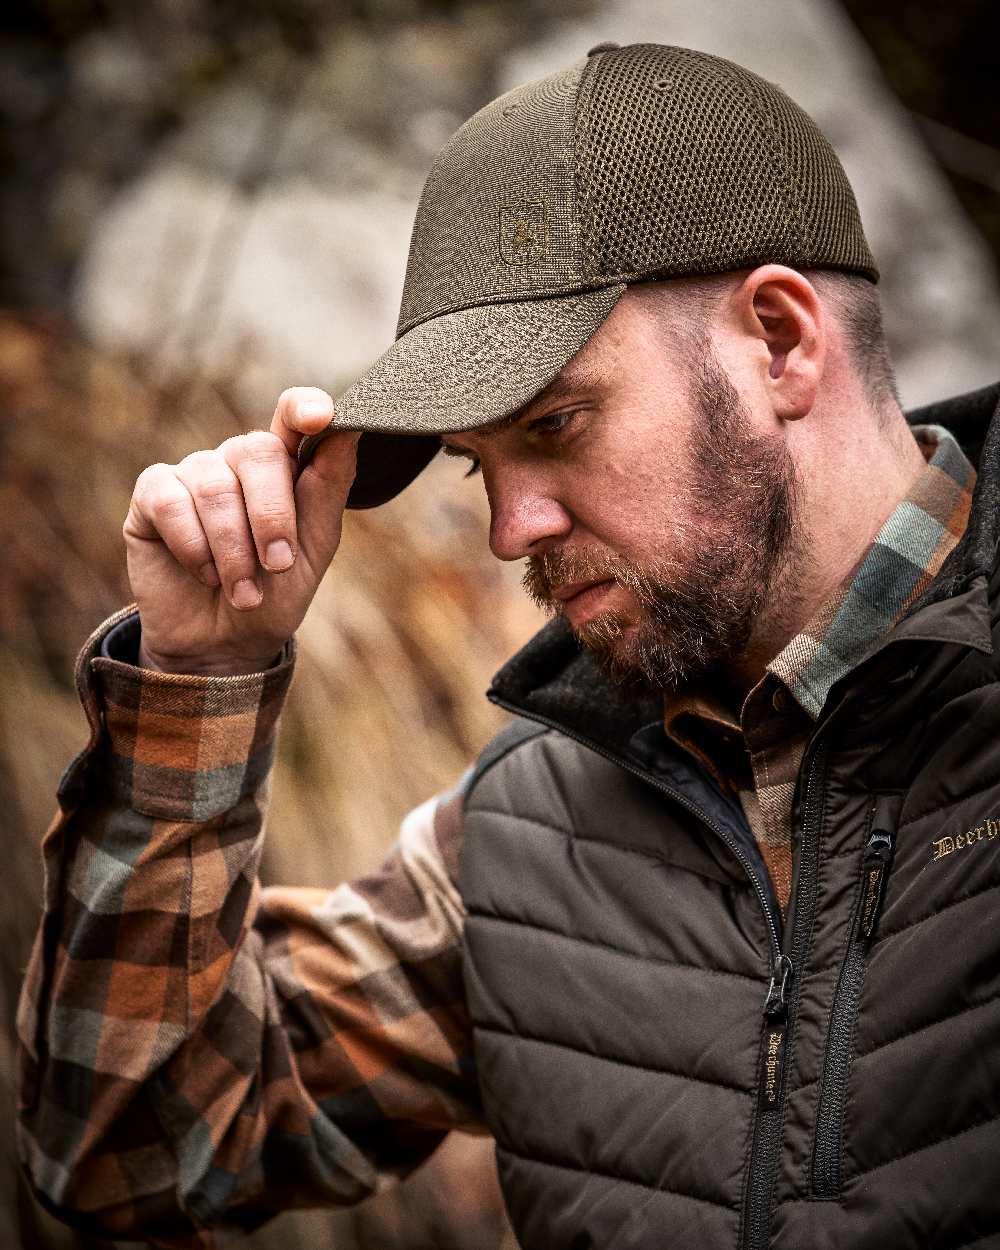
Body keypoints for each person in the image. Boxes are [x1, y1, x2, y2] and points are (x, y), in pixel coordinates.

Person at [16, 40, 1000, 1250]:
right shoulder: (520, 842)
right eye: (483, 463)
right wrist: (196, 687)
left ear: (782, 342)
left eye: (558, 422)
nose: (507, 529)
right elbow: (131, 1152)